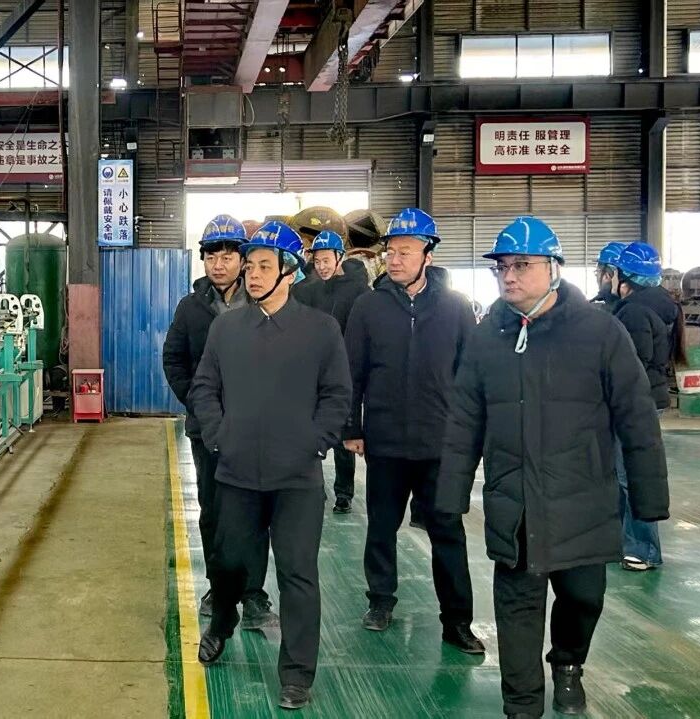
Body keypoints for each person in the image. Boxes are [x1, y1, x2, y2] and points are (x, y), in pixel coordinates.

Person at [437, 216, 669, 719]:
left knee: (583, 599)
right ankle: (522, 706)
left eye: (521, 265)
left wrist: (648, 500)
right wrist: (449, 497)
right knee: (516, 609)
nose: (509, 276)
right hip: (514, 506)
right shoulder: (487, 337)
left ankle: (568, 662)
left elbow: (636, 417)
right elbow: (464, 421)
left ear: (554, 269)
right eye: (502, 267)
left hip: (581, 503)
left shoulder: (599, 332)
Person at [190, 220, 351, 711]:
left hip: (296, 478)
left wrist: (315, 444)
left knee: (298, 573)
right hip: (237, 473)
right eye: (250, 265)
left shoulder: (320, 331)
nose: (253, 274)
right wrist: (219, 437)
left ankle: (297, 672)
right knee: (229, 564)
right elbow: (204, 387)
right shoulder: (226, 328)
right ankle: (222, 623)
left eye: (264, 266)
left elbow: (337, 395)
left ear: (290, 272)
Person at [341, 207, 483, 654]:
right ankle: (380, 601)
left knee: (448, 532)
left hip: (440, 443)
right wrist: (352, 426)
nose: (395, 259)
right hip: (385, 441)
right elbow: (352, 371)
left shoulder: (456, 308)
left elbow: (470, 376)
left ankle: (457, 621)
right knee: (381, 527)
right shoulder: (368, 307)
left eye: (406, 251)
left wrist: (467, 434)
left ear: (428, 255)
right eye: (391, 251)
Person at [162, 214, 280, 629]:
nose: (218, 265)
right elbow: (174, 359)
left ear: (242, 260)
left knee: (254, 511)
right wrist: (199, 404)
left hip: (257, 429)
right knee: (213, 511)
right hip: (208, 431)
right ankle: (219, 588)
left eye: (227, 256)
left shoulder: (263, 304)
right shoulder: (190, 308)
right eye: (211, 257)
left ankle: (254, 594)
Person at [608, 241, 684, 571]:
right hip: (648, 399)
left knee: (630, 474)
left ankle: (643, 549)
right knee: (625, 472)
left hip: (636, 403)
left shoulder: (635, 311)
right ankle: (625, 542)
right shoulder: (657, 305)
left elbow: (633, 362)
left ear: (624, 276)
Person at [304, 230, 370, 513]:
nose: (321, 266)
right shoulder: (311, 290)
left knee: (344, 435)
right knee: (313, 432)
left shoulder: (359, 291)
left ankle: (344, 493)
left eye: (326, 260)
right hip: (315, 373)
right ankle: (315, 488)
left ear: (339, 257)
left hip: (344, 372)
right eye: (317, 261)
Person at [591, 241, 628, 309]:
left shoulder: (596, 309)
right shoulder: (637, 303)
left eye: (597, 272)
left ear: (606, 276)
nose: (596, 276)